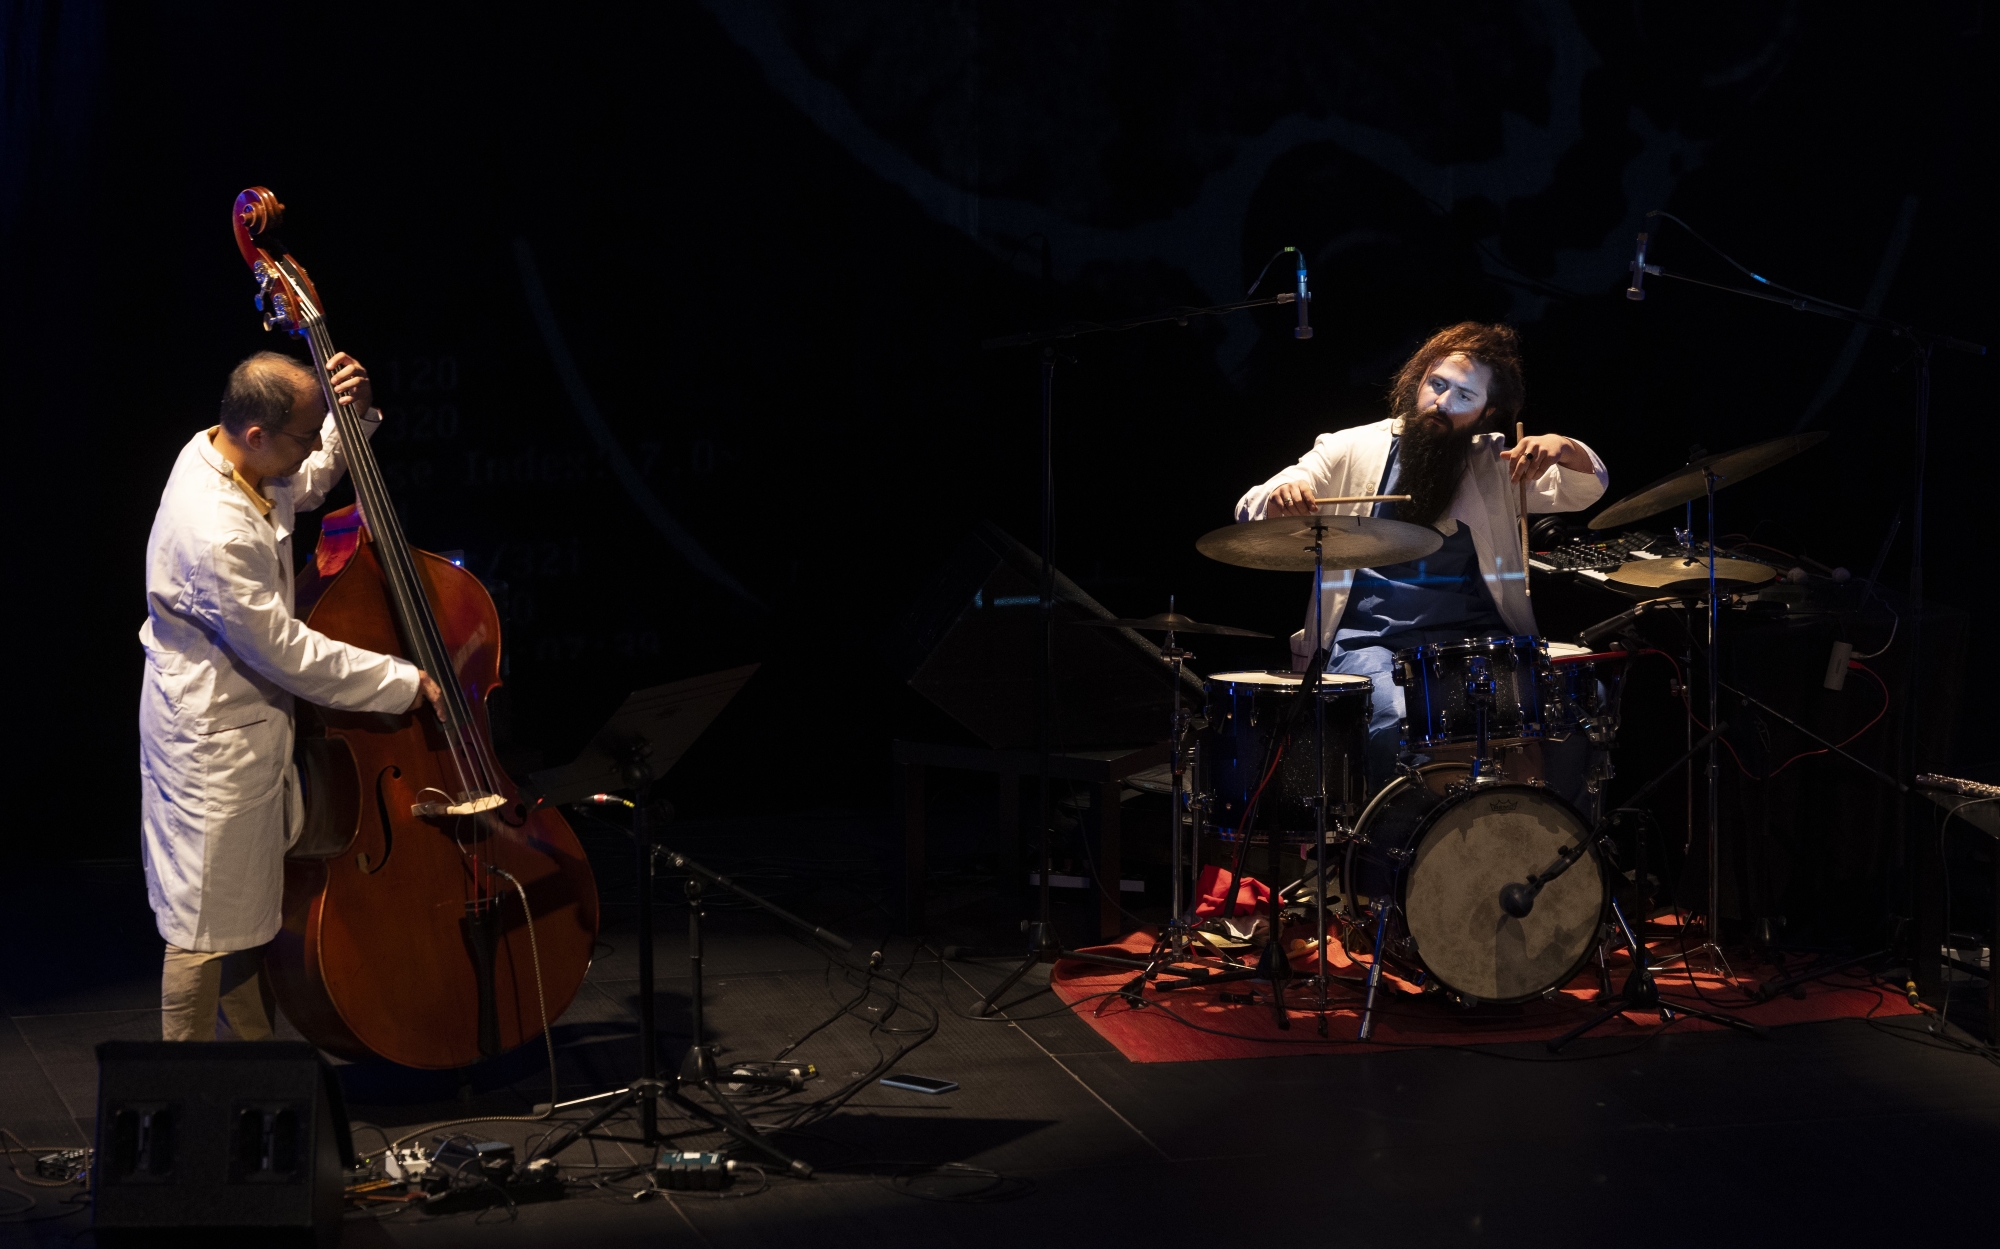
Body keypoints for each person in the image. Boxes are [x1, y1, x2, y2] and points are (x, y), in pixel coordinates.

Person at [139, 350, 444, 1042]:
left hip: (246, 729)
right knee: (202, 928)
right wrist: (400, 681)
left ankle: (256, 1074)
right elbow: (286, 651)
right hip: (211, 745)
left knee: (244, 918)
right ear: (257, 433)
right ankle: (178, 1088)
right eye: (308, 432)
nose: (313, 445)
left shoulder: (231, 456)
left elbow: (302, 482)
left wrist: (352, 418)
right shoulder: (213, 531)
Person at [1233, 322, 1608, 788]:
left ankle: (1551, 831)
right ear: (1419, 381)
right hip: (1372, 643)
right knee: (1395, 720)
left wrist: (1563, 447)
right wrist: (1283, 495)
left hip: (1477, 642)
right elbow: (1256, 503)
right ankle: (1407, 835)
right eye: (1437, 384)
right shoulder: (1350, 447)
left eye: (1464, 396)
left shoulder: (1496, 463)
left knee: (1575, 708)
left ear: (1487, 411)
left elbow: (1584, 487)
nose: (1442, 403)